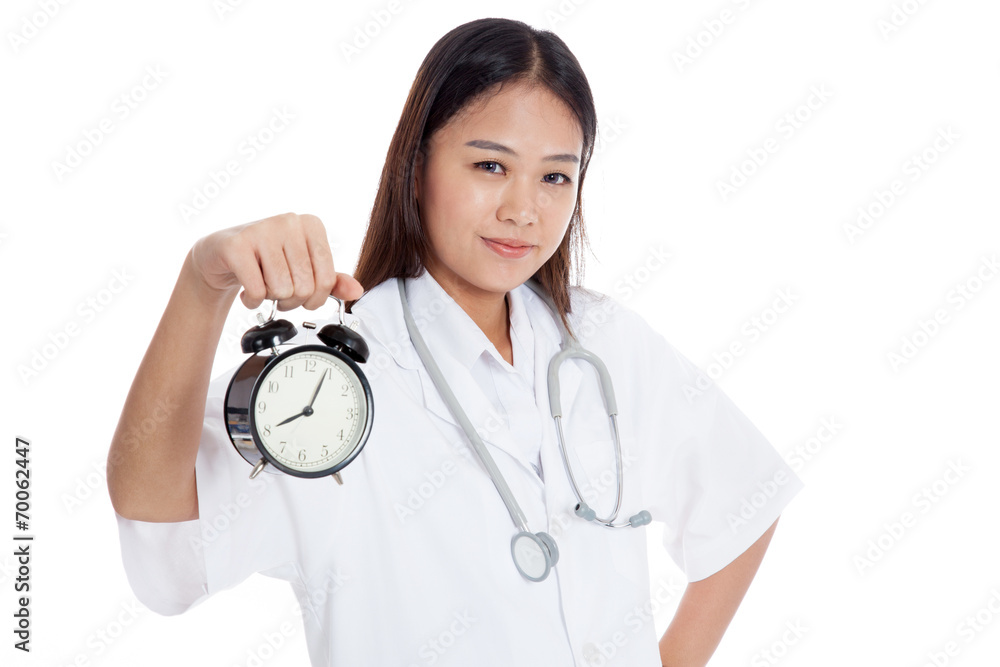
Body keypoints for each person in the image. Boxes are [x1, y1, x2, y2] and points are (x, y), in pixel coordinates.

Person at [107, 17, 803, 667]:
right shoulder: (337, 378)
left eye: (555, 176)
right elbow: (159, 520)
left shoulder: (600, 339)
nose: (523, 210)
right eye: (490, 166)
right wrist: (203, 285)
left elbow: (745, 499)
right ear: (417, 167)